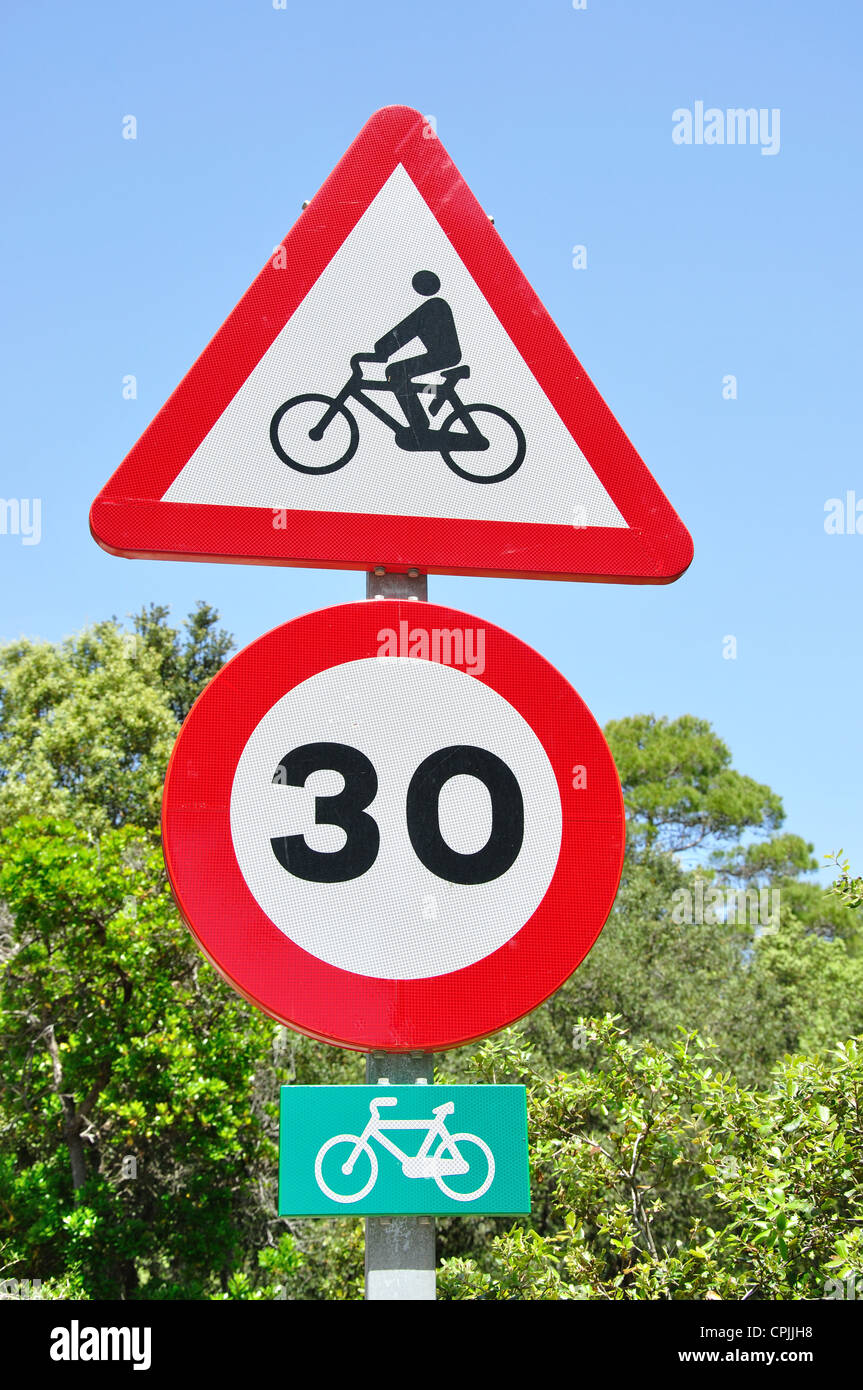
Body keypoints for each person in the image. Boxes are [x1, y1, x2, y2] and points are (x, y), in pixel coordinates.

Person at [371, 271, 462, 443]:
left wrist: (382, 350)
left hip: (445, 355)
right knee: (399, 375)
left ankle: (419, 427)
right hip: (443, 354)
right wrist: (383, 350)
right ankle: (421, 422)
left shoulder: (434, 306)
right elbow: (408, 329)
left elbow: (407, 329)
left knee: (395, 372)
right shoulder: (435, 305)